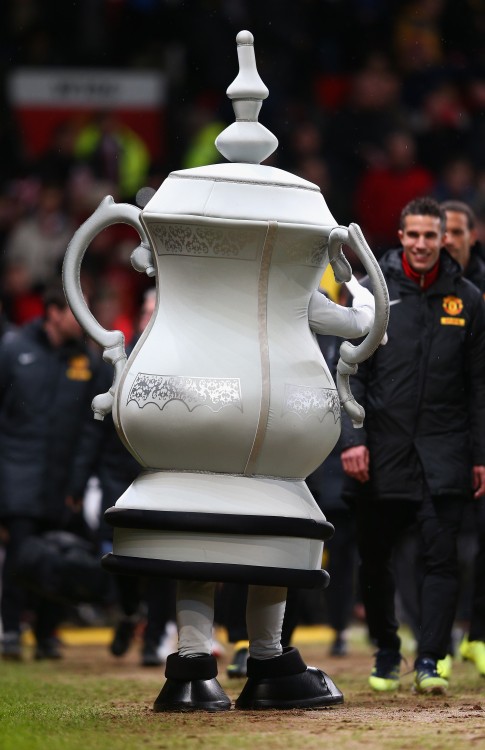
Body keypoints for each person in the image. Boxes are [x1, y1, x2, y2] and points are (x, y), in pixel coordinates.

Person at [340, 196, 485, 695]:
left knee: (442, 559)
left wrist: (480, 455)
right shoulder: (370, 295)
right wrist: (354, 439)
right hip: (381, 451)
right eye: (413, 235)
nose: (422, 244)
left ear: (443, 238)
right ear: (401, 237)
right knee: (374, 559)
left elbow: (479, 387)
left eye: (430, 235)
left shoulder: (468, 300)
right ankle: (386, 649)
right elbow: (349, 373)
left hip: (445, 453)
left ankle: (430, 657)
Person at [67, 288, 176, 667]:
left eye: (157, 311)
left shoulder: (179, 364)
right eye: (146, 310)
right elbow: (93, 429)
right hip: (117, 476)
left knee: (162, 562)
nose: (150, 317)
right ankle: (130, 611)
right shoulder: (114, 362)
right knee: (121, 558)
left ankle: (154, 637)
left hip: (160, 476)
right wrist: (79, 481)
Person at [0, 283, 98, 660]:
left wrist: (78, 481)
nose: (84, 318)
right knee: (20, 554)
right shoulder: (13, 349)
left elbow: (91, 429)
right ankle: (10, 630)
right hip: (17, 474)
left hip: (62, 481)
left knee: (60, 557)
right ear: (54, 313)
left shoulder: (86, 361)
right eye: (76, 310)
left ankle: (46, 633)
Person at [441, 200, 485, 677]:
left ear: (474, 235)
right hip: (444, 430)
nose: (448, 239)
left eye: (456, 231)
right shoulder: (426, 291)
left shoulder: (477, 292)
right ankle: (440, 635)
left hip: (478, 423)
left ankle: (478, 634)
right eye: (443, 231)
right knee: (442, 541)